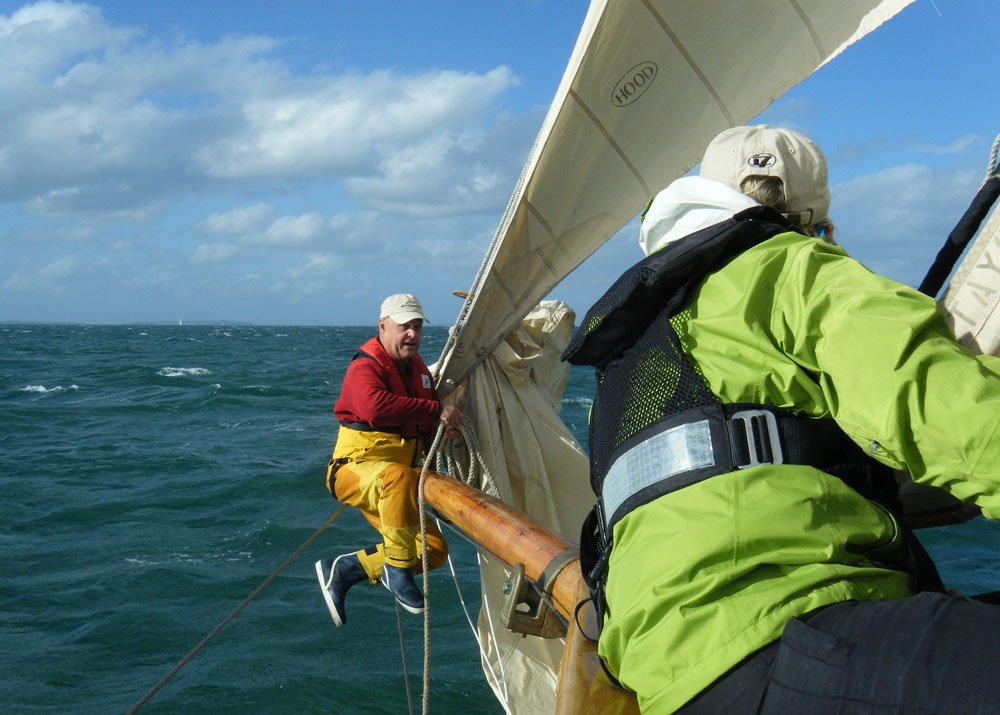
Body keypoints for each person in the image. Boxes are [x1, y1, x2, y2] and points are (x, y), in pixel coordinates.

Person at [563, 125, 1000, 713]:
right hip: (786, 629)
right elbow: (944, 408)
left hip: (670, 674)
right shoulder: (791, 266)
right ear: (811, 223)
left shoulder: (633, 349)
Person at [315, 293, 463, 626]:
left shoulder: (418, 370)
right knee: (397, 477)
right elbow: (375, 407)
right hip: (354, 471)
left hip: (396, 483)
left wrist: (443, 428)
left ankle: (347, 569)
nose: (412, 334)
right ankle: (396, 570)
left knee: (433, 550)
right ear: (383, 326)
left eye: (417, 327)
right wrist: (436, 410)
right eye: (404, 326)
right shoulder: (364, 366)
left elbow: (422, 417)